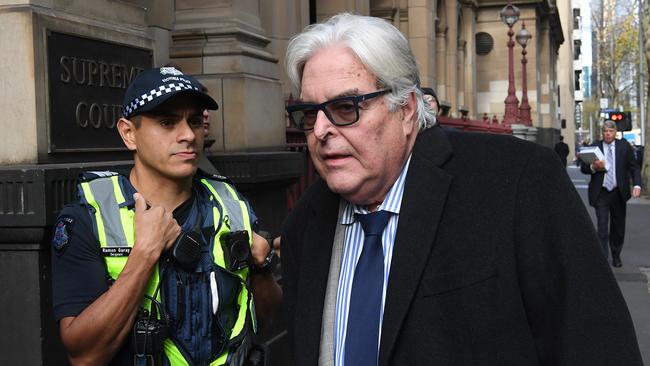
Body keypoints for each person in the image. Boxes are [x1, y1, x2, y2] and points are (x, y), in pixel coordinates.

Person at [281, 13, 642, 365]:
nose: (321, 130)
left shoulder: (518, 182)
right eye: (309, 113)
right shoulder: (305, 222)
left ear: (405, 110)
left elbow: (595, 343)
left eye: (345, 107)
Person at [50, 66, 281, 365]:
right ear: (129, 133)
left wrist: (262, 269)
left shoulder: (231, 205)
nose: (187, 135)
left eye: (195, 121)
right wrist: (145, 253)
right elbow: (84, 356)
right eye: (167, 122)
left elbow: (266, 320)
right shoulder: (89, 218)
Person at [580, 120, 642, 267]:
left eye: (611, 131)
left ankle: (616, 254)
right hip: (601, 193)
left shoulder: (624, 146)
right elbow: (584, 168)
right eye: (605, 131)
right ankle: (603, 258)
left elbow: (634, 167)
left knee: (618, 227)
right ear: (602, 133)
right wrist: (593, 167)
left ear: (615, 132)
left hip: (618, 192)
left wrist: (637, 184)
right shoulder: (595, 146)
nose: (608, 134)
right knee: (602, 227)